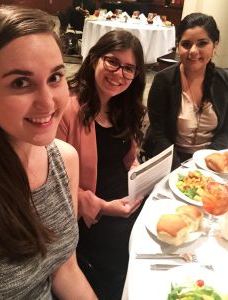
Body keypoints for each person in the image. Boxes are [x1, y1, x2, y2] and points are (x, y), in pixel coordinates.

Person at [0, 5, 97, 299]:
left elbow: (64, 268)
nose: (48, 103)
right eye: (20, 82)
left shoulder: (64, 159)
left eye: (55, 78)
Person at [57, 30, 146, 299]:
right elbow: (56, 187)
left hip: (125, 200)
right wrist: (106, 208)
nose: (119, 74)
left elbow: (127, 159)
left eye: (129, 68)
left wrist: (138, 173)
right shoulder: (67, 109)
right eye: (112, 62)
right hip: (90, 217)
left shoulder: (123, 107)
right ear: (94, 58)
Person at [141, 12, 228, 170]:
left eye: (202, 43)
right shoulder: (163, 81)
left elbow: (226, 130)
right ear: (178, 45)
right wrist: (181, 170)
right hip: (171, 159)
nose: (193, 51)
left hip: (211, 160)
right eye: (186, 44)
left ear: (215, 45)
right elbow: (159, 134)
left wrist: (208, 163)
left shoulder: (224, 81)